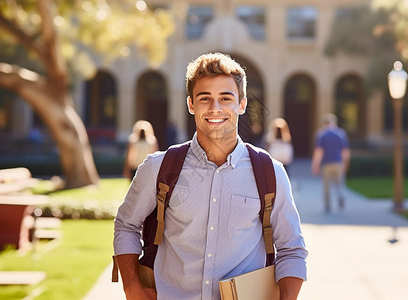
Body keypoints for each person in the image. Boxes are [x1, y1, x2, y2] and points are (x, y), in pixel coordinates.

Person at [114, 52, 307, 300]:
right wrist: (132, 286)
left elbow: (292, 249)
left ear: (242, 104)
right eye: (205, 98)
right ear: (191, 104)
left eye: (225, 98)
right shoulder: (158, 167)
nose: (215, 108)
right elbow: (126, 225)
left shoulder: (270, 172)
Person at [311, 113, 351, 213]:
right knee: (340, 184)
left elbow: (319, 151)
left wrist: (315, 165)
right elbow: (345, 151)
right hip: (338, 163)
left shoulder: (321, 134)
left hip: (326, 164)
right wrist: (346, 164)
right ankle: (341, 198)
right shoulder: (341, 134)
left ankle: (328, 206)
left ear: (324, 123)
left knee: (326, 186)